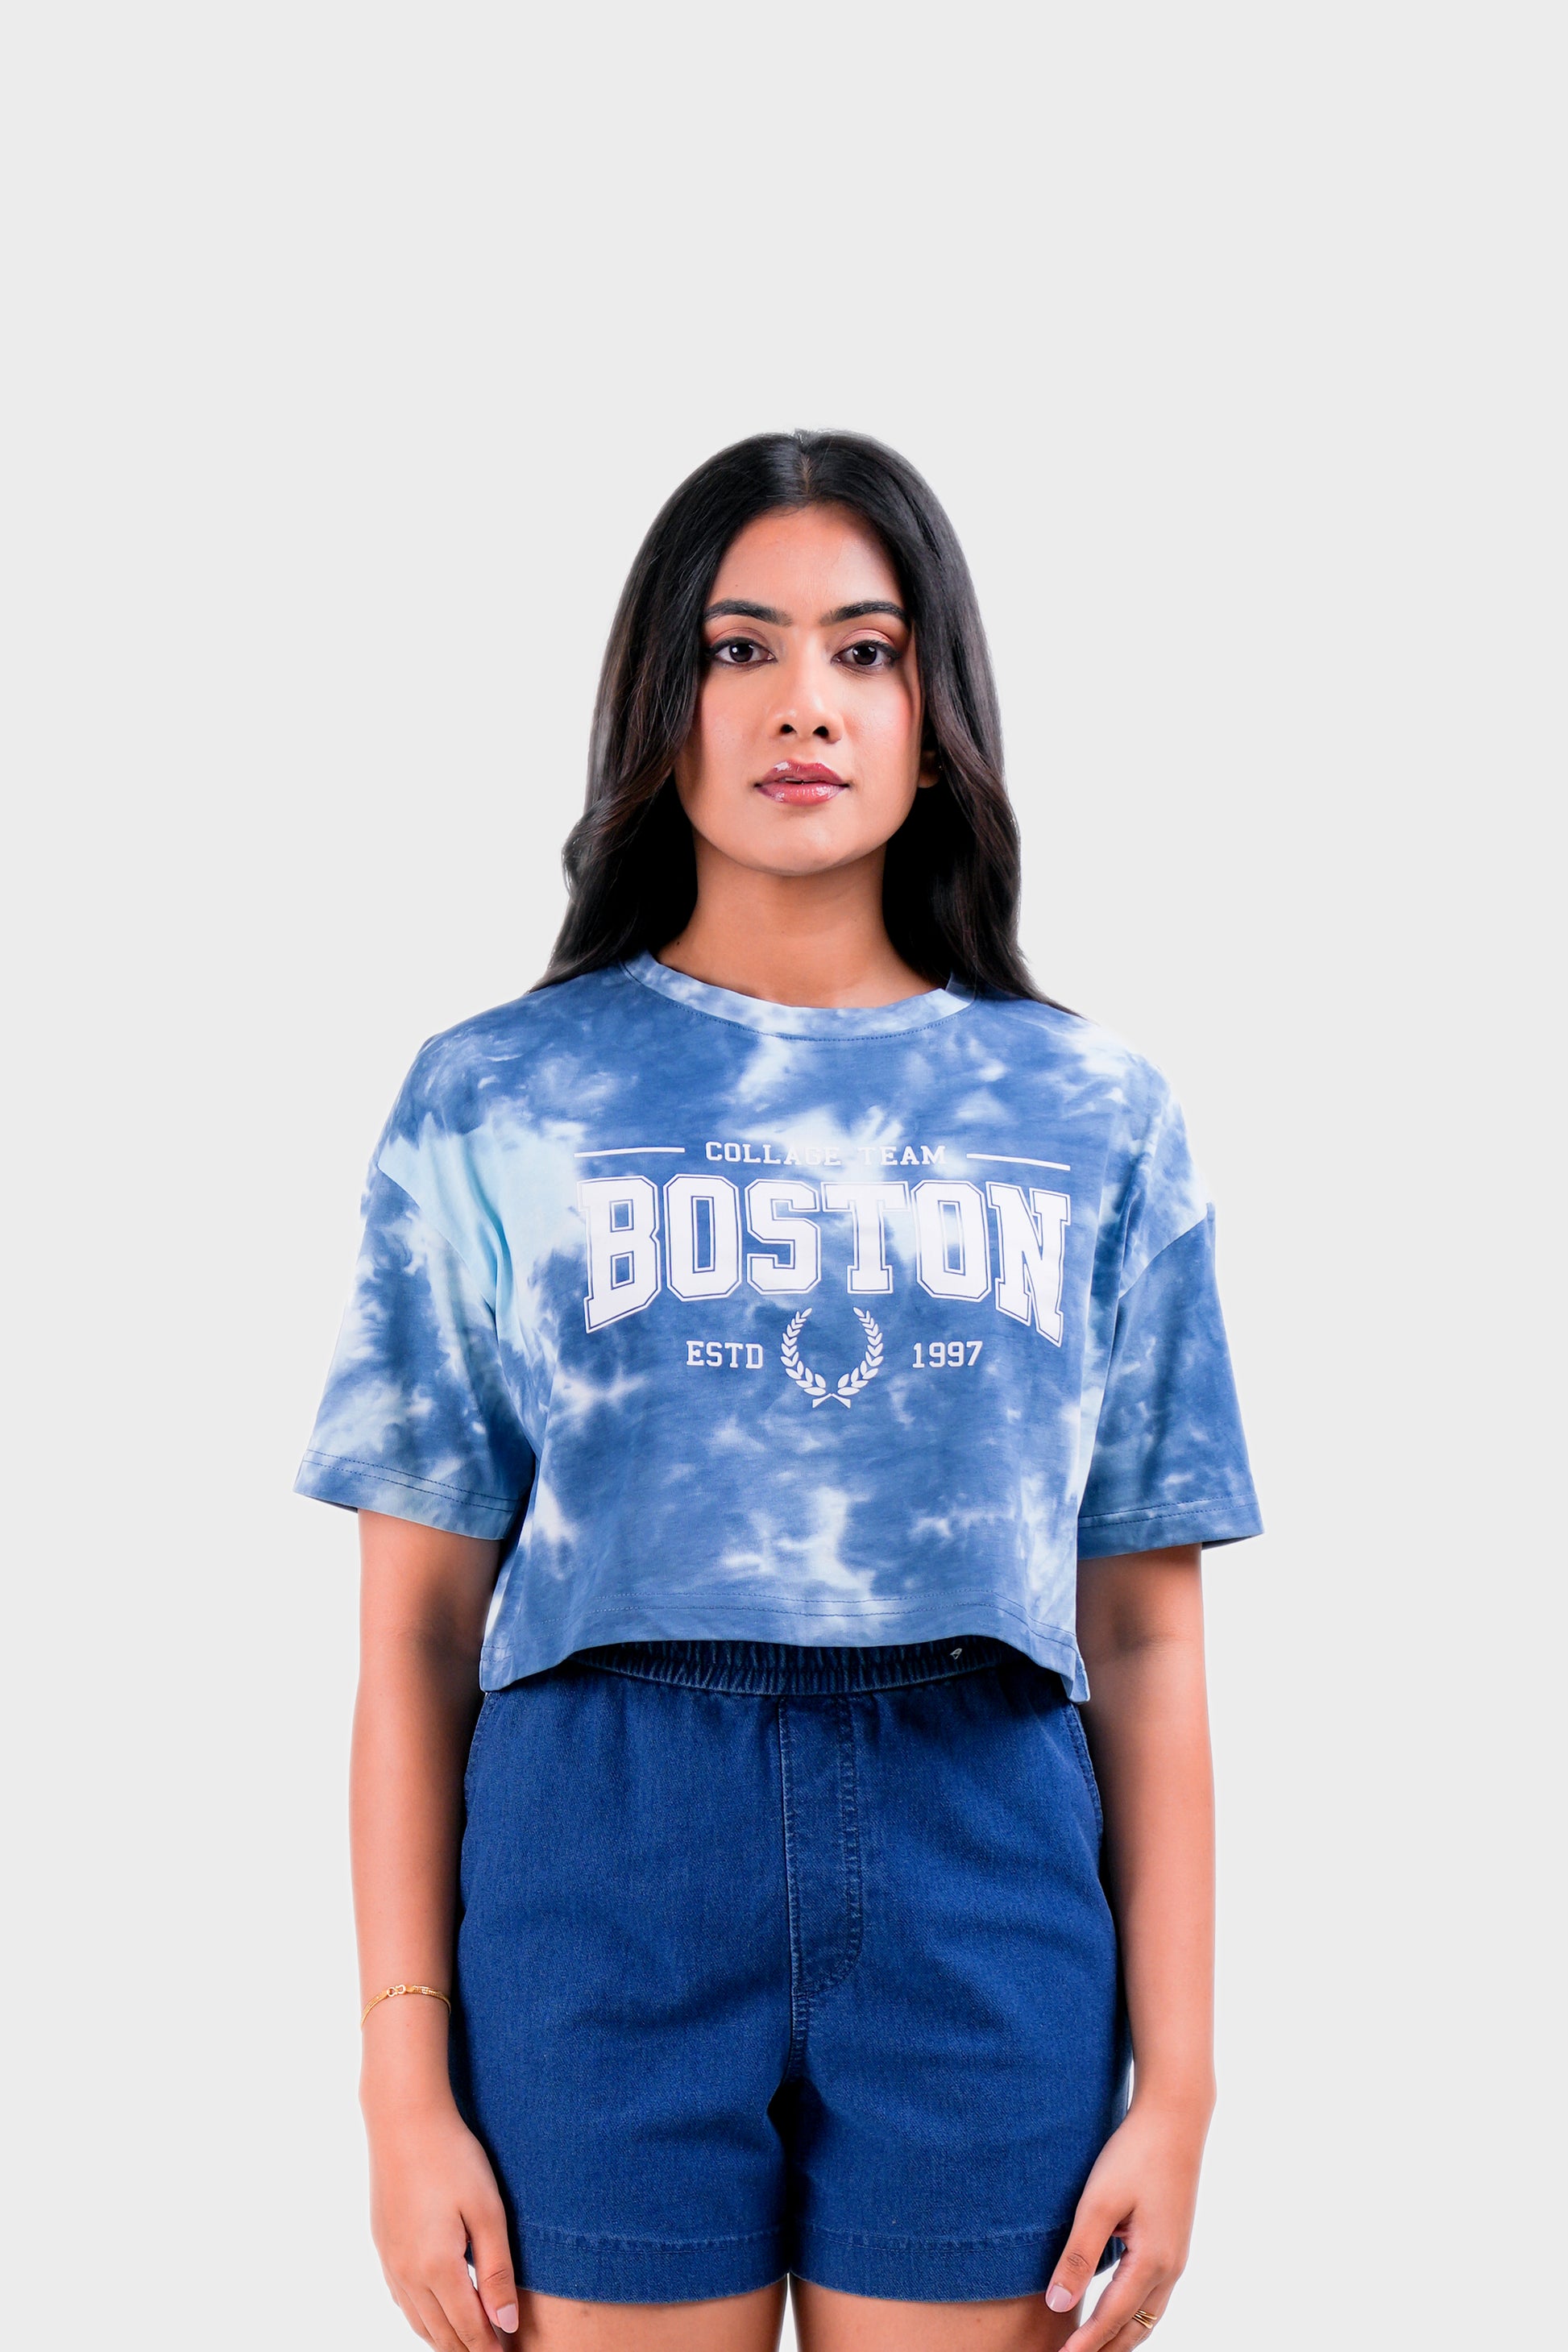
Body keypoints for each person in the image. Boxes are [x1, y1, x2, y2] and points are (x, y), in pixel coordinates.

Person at [297, 429, 1261, 2352]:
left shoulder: (1094, 1111)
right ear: (658, 708)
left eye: (864, 649)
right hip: (602, 1852)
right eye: (739, 647)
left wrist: (1182, 2081)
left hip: (984, 1856)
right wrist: (402, 2081)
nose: (802, 701)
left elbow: (1144, 1632)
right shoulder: (496, 1097)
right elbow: (414, 1628)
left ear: (936, 719)